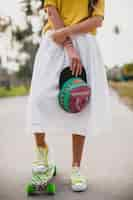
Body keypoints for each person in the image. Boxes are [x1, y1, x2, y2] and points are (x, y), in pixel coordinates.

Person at [27, 0, 111, 192]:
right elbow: (51, 9)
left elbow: (97, 20)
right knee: (40, 99)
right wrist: (68, 45)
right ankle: (42, 152)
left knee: (79, 103)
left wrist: (65, 33)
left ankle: (76, 167)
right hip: (54, 43)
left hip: (83, 45)